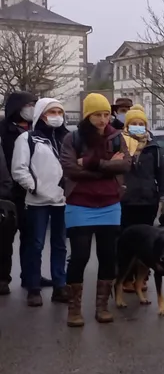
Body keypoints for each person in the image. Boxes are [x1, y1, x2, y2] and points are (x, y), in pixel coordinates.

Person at [60, 94, 132, 327]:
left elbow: (125, 164)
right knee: (79, 256)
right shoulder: (73, 138)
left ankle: (102, 307)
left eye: (105, 114)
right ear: (87, 115)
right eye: (97, 115)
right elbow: (71, 169)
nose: (103, 120)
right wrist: (107, 167)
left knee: (108, 256)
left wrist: (90, 163)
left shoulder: (116, 137)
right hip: (80, 204)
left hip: (110, 204)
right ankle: (74, 309)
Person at [11, 98, 69, 306]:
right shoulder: (27, 139)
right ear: (41, 114)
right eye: (51, 112)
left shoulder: (67, 138)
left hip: (62, 200)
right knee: (35, 244)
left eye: (59, 112)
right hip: (37, 201)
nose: (56, 116)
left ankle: (60, 285)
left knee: (60, 244)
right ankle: (33, 288)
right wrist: (33, 187)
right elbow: (19, 168)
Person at [118, 106, 164, 293]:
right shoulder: (119, 144)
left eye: (141, 124)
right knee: (125, 241)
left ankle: (142, 277)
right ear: (127, 125)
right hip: (125, 200)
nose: (138, 127)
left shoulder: (153, 148)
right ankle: (125, 277)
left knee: (146, 242)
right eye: (134, 124)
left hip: (148, 201)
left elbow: (161, 174)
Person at [0, 90, 44, 294]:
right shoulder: (3, 130)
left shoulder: (38, 129)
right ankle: (2, 278)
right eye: (29, 104)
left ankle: (31, 276)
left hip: (32, 192)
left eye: (34, 103)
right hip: (8, 194)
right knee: (4, 240)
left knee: (32, 238)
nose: (32, 107)